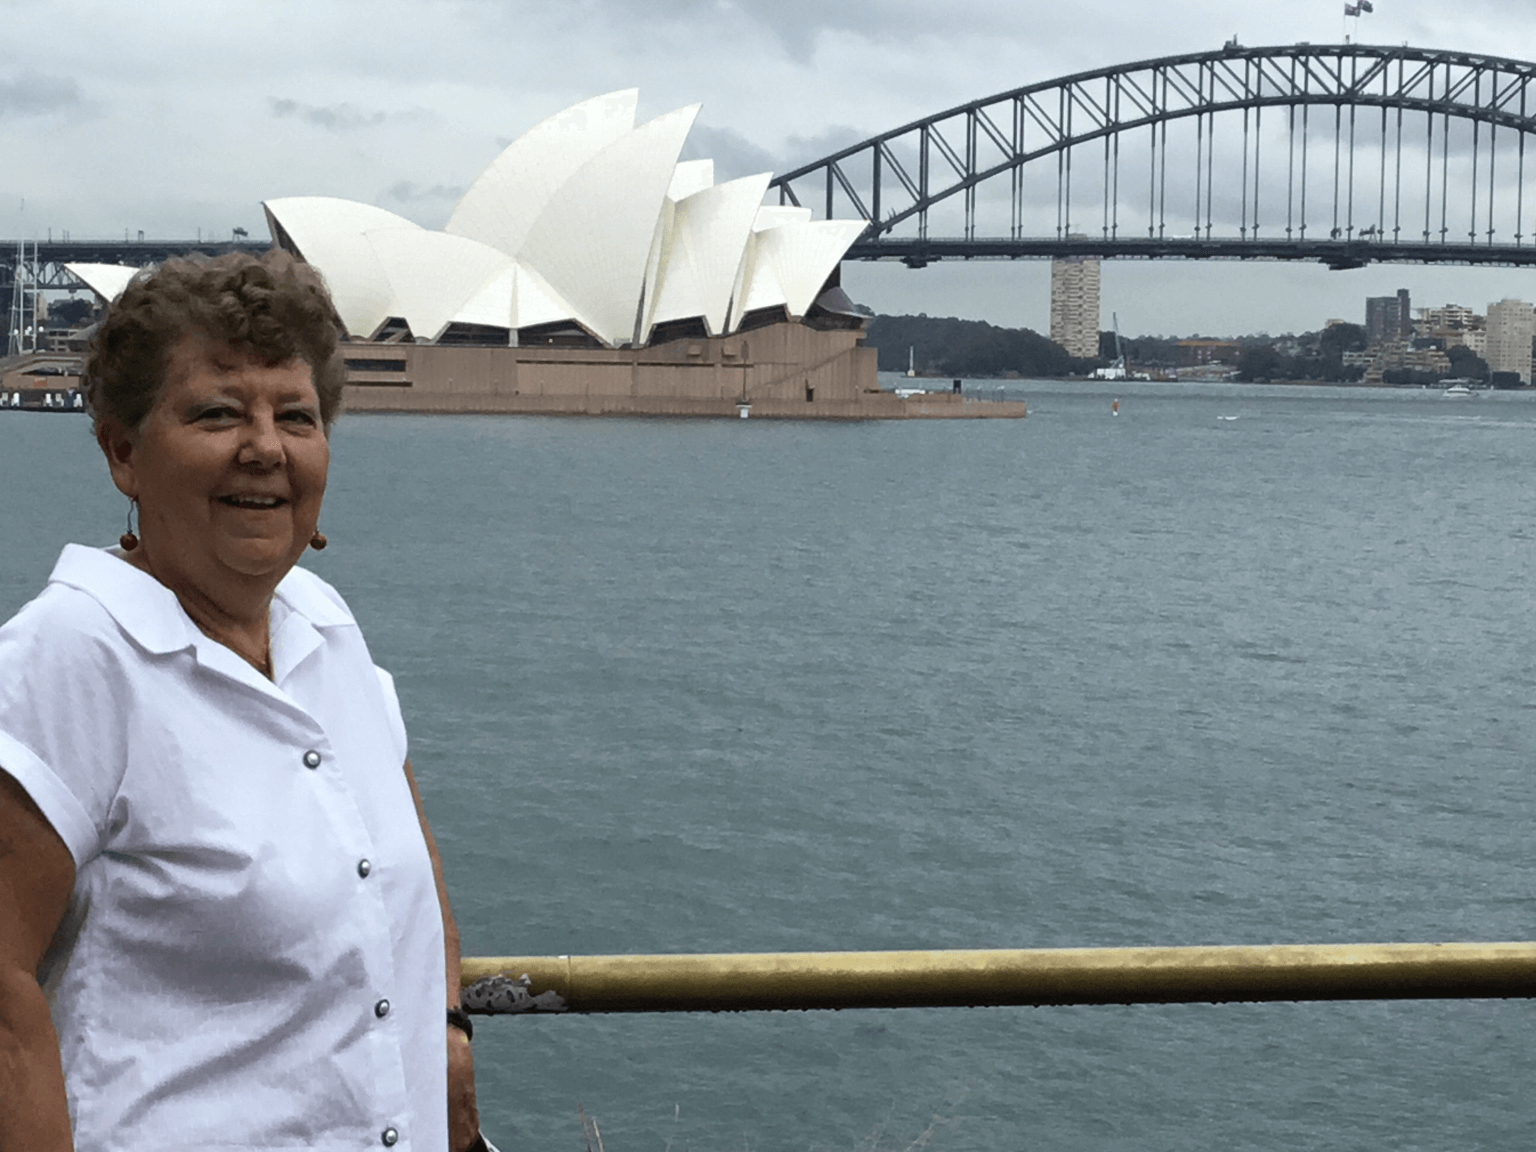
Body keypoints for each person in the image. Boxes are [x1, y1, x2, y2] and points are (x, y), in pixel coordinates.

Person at [0, 251, 480, 1150]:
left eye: (294, 415)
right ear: (122, 451)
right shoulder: (73, 655)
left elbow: (404, 866)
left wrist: (448, 1035)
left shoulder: (326, 629)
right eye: (218, 412)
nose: (265, 446)